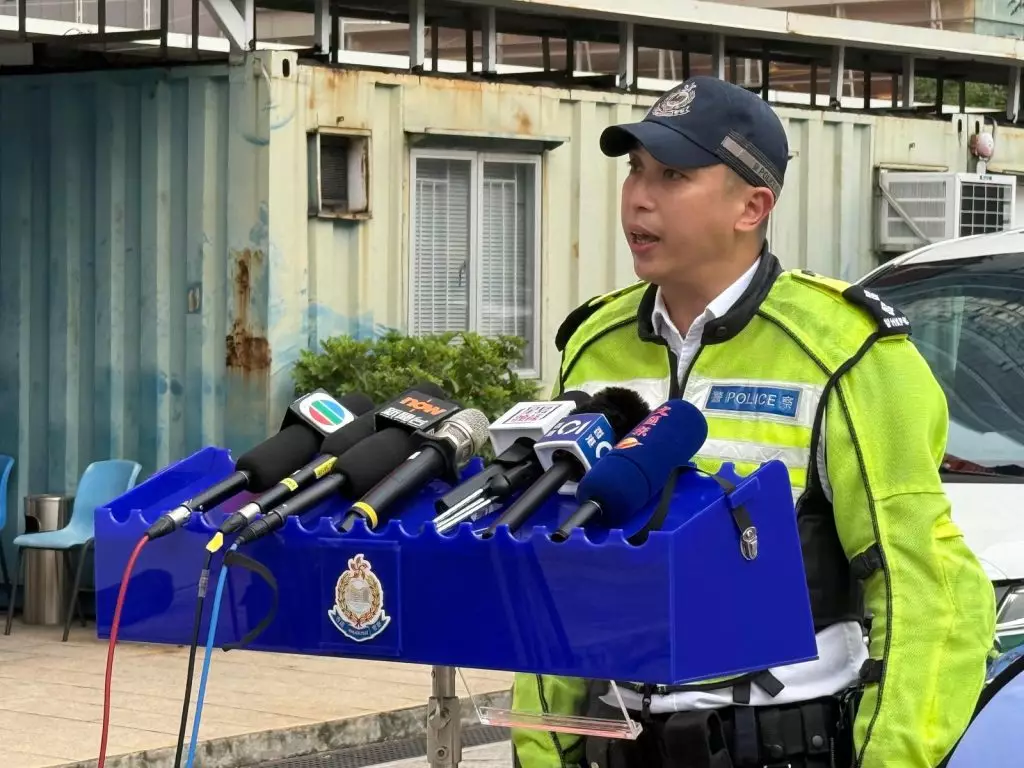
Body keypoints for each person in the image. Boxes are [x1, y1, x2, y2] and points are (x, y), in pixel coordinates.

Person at [510, 76, 996, 768]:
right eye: (635, 170)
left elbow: (926, 590)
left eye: (673, 175)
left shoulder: (845, 349)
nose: (638, 197)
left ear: (752, 206)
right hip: (617, 743)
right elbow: (556, 574)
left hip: (783, 743)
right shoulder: (592, 345)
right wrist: (542, 749)